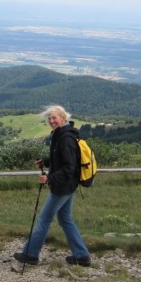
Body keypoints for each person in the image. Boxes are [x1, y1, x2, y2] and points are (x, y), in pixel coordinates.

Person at [13, 105, 91, 267]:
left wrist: (49, 178)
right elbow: (60, 158)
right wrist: (46, 162)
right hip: (68, 186)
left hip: (62, 187)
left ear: (63, 118)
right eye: (49, 118)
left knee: (44, 220)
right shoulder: (61, 134)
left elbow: (69, 167)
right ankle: (82, 256)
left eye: (54, 117)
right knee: (65, 219)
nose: (51, 120)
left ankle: (31, 254)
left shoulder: (66, 138)